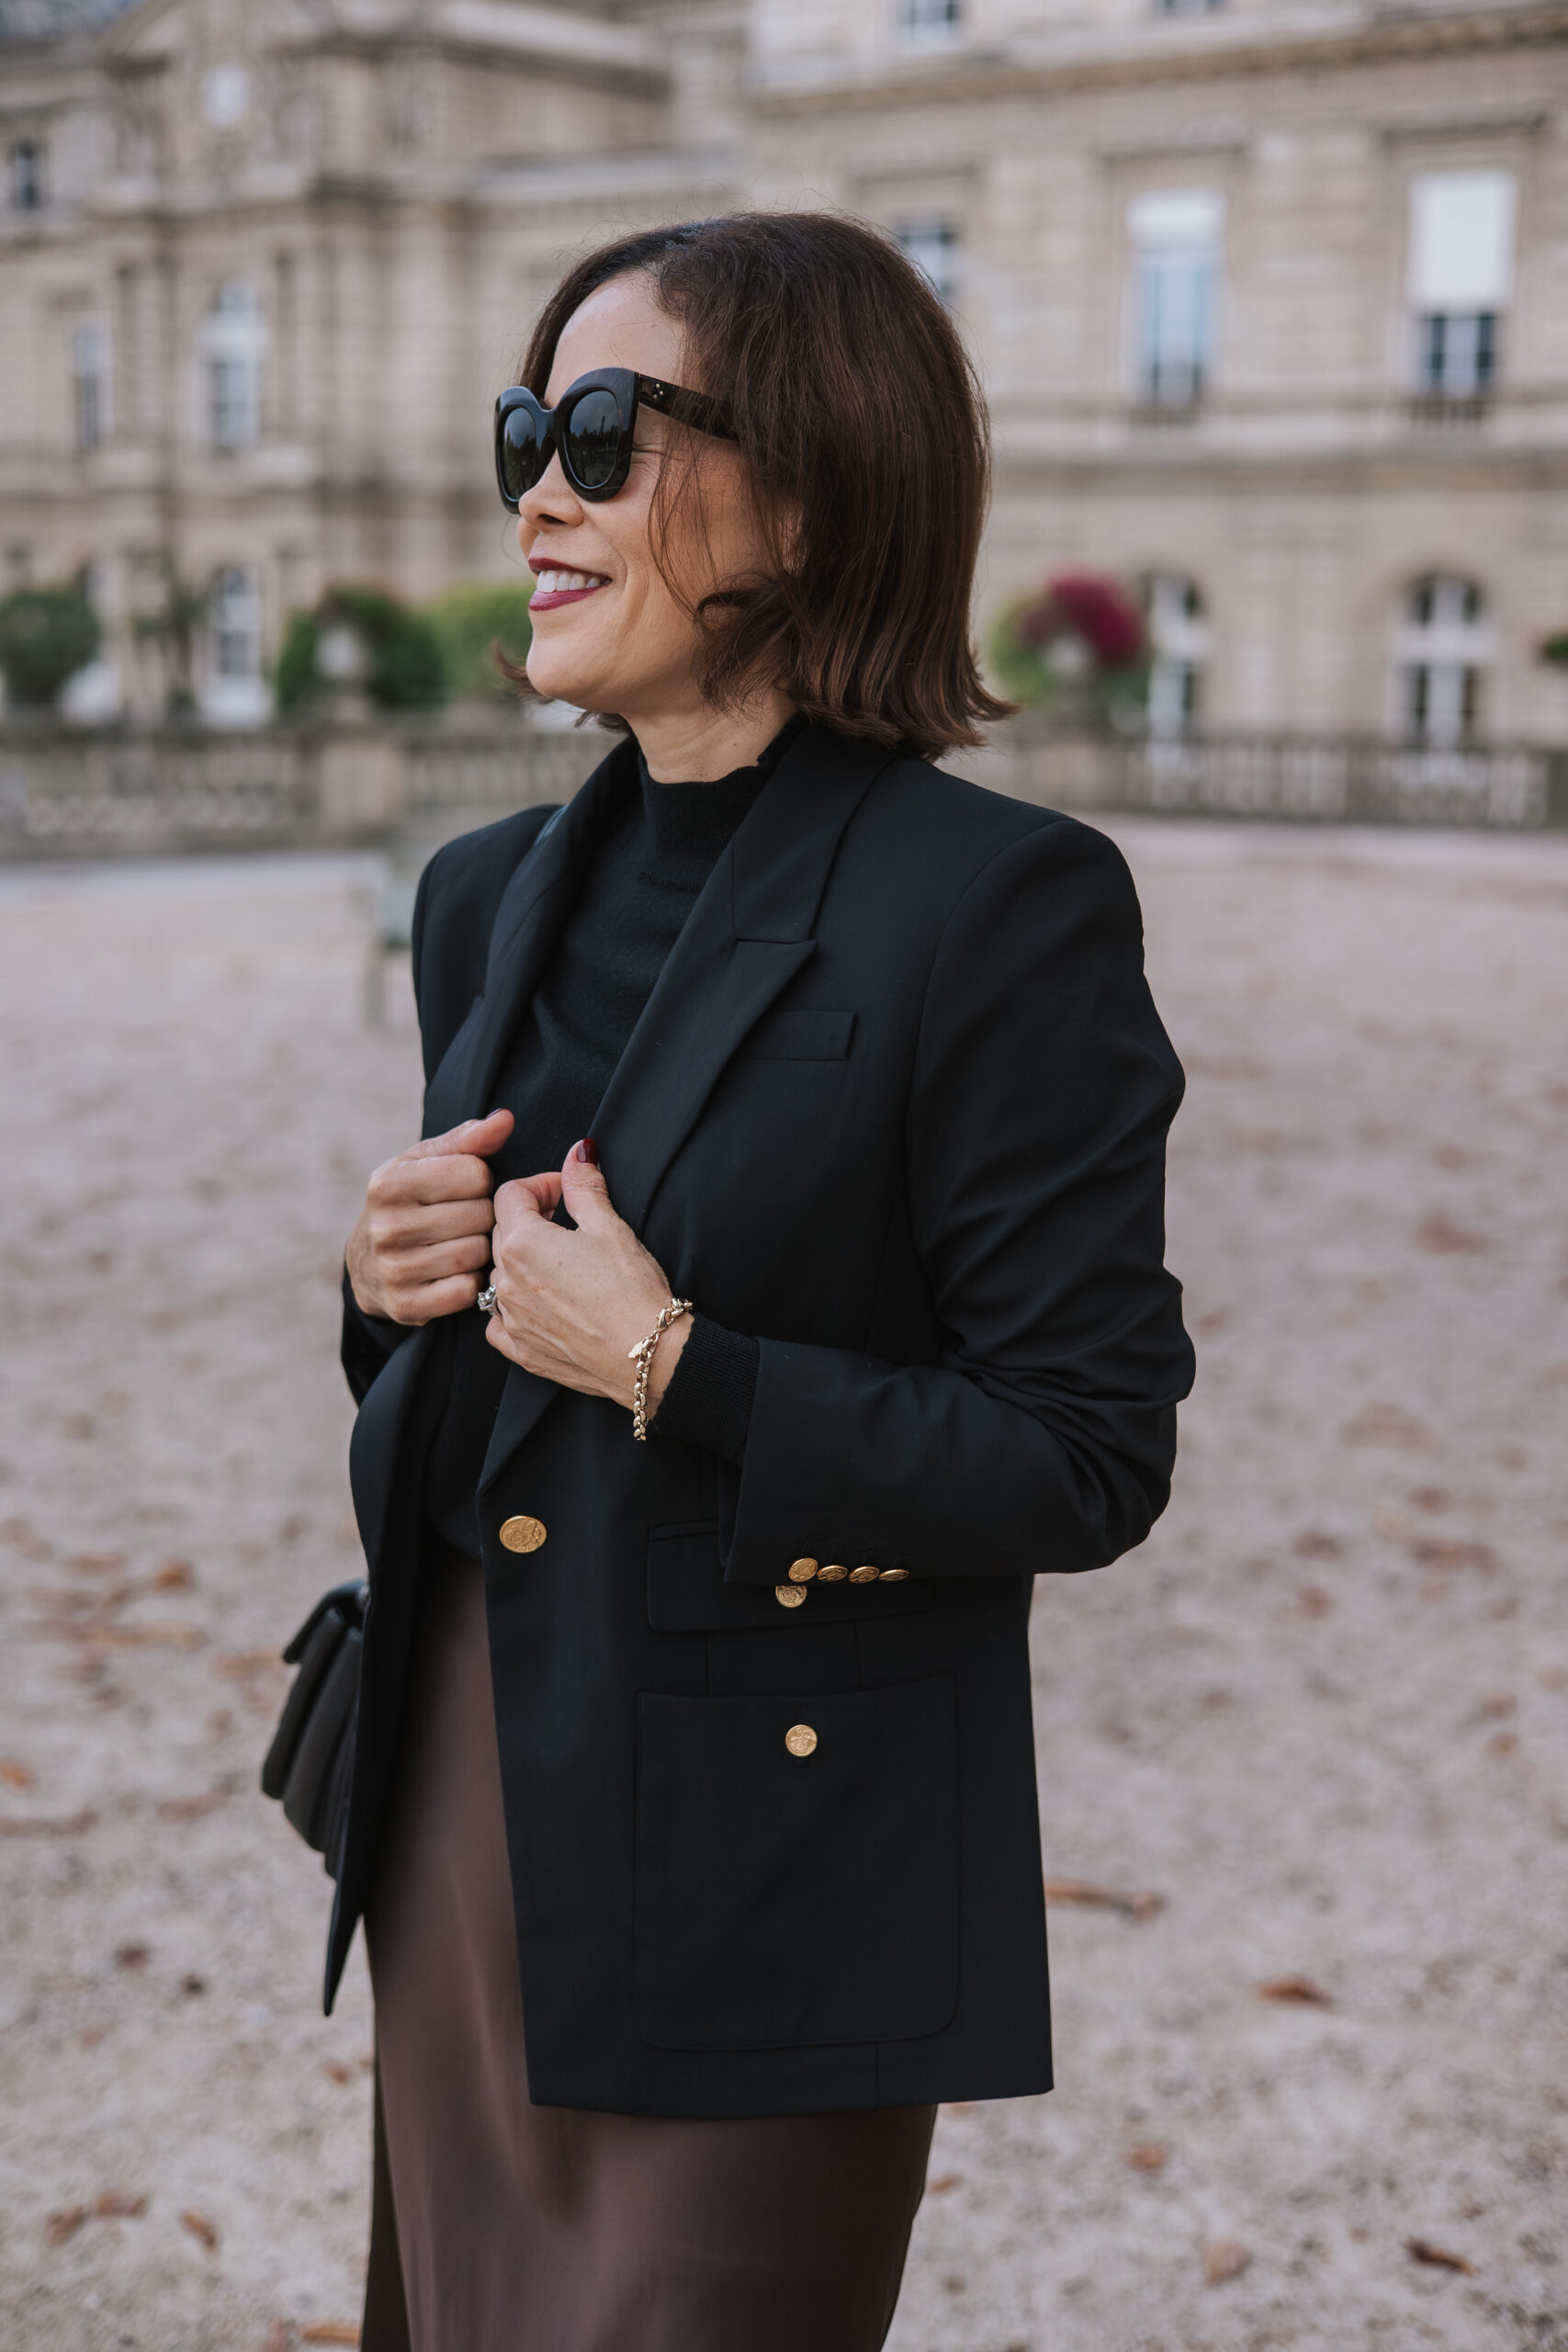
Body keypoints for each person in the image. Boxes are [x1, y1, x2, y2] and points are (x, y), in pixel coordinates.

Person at [335, 211, 1195, 2352]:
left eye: (605, 432)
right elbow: (472, 1361)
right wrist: (387, 1278)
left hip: (770, 1839)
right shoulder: (480, 897)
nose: (539, 486)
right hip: (463, 1784)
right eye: (530, 427)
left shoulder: (998, 907)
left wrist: (678, 1366)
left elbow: (1080, 1454)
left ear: (806, 492)